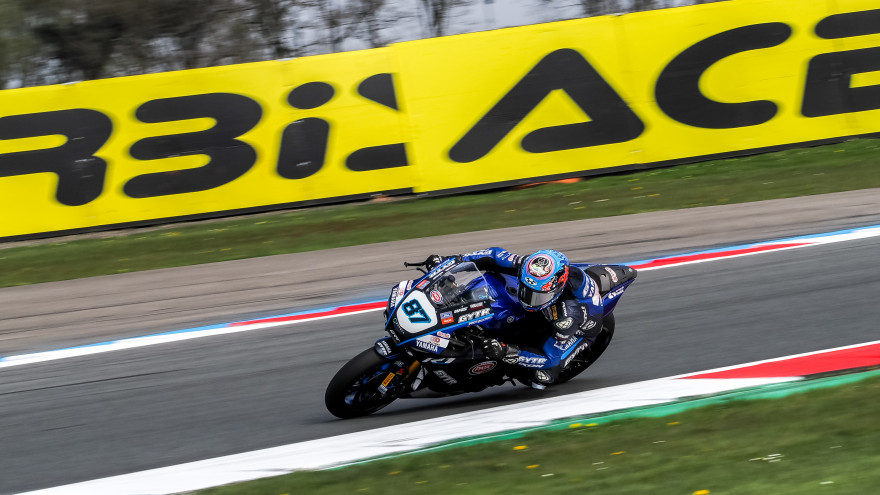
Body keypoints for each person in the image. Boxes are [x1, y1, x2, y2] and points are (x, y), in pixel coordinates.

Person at [424, 247, 603, 389]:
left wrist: (507, 351)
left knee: (541, 377)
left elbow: (550, 357)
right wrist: (451, 262)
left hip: (579, 331)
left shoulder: (567, 317)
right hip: (550, 307)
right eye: (525, 289)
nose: (527, 298)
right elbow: (493, 255)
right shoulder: (528, 266)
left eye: (536, 296)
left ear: (555, 291)